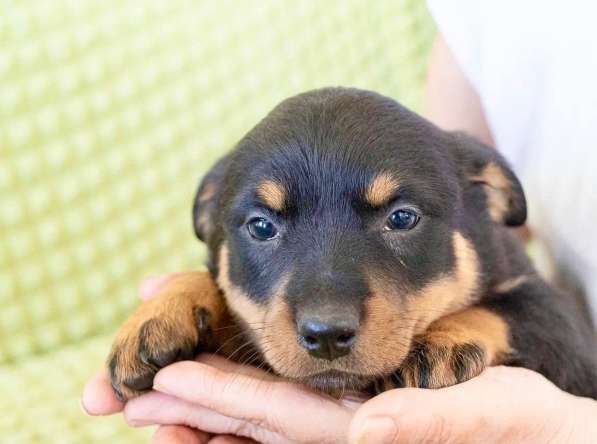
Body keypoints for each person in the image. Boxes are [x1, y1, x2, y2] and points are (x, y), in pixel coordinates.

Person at [82, 2, 597, 442]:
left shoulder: (502, 274)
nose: (325, 319)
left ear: (486, 197)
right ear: (213, 221)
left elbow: (559, 335)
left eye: (400, 218)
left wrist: (481, 330)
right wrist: (197, 302)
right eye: (263, 227)